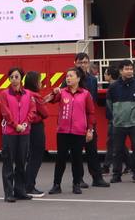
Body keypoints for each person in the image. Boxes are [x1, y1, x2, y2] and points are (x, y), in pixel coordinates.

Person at [44, 67, 95, 195]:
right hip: (63, 131)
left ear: (78, 78)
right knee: (60, 158)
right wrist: (53, 92)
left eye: (71, 76)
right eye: (67, 76)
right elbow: (48, 100)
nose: (68, 78)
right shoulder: (61, 92)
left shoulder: (85, 94)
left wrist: (90, 130)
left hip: (79, 132)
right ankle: (56, 185)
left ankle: (76, 184)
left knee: (77, 159)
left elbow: (91, 113)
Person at [0, 67, 36, 202]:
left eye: (17, 77)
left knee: (21, 162)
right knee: (8, 163)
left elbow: (32, 110)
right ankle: (8, 193)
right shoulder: (4, 94)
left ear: (21, 78)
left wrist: (25, 123)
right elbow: (5, 112)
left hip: (24, 133)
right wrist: (15, 125)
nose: (14, 79)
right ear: (9, 79)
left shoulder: (28, 94)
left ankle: (20, 191)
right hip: (10, 133)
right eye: (12, 77)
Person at [74, 52, 110, 188]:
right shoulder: (70, 78)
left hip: (88, 119)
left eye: (85, 62)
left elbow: (93, 101)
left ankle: (97, 178)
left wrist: (91, 121)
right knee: (77, 151)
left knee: (92, 149)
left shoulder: (92, 80)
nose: (83, 65)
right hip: (75, 121)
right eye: (80, 62)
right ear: (75, 63)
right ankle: (79, 179)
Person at [107, 59, 135, 183]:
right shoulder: (113, 87)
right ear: (120, 71)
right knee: (117, 150)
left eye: (131, 69)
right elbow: (109, 103)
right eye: (126, 69)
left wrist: (133, 114)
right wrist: (117, 114)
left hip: (134, 123)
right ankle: (116, 175)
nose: (129, 71)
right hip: (118, 124)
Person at [24, 71, 49, 198]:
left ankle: (25, 185)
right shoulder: (36, 96)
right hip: (36, 127)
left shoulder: (24, 94)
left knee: (29, 157)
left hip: (27, 127)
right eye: (39, 81)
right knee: (36, 157)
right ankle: (29, 186)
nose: (40, 83)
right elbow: (45, 113)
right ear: (34, 82)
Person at [101, 65, 129, 175]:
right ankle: (129, 165)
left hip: (114, 119)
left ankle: (106, 166)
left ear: (110, 75)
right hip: (115, 118)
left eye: (105, 73)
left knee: (111, 143)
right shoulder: (117, 86)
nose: (104, 75)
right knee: (119, 143)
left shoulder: (113, 88)